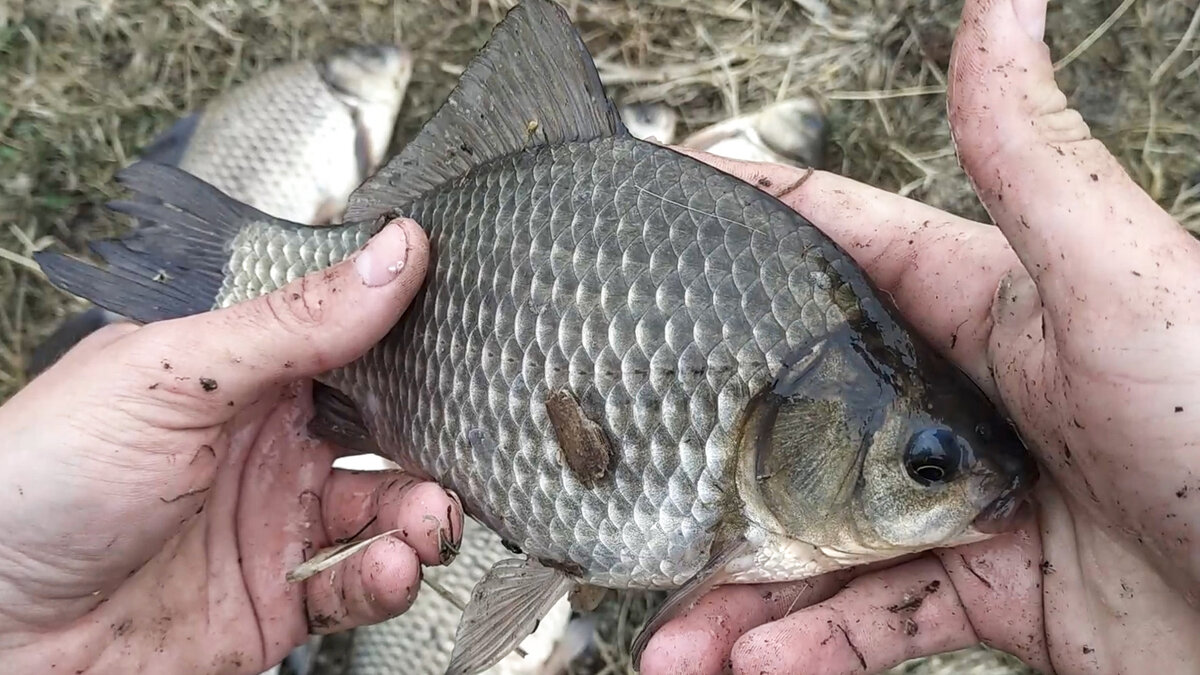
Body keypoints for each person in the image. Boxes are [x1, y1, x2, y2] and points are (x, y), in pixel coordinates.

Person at [0, 0, 1195, 673]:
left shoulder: (796, 366)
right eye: (924, 466)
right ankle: (213, 256)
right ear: (791, 433)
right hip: (428, 293)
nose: (953, 486)